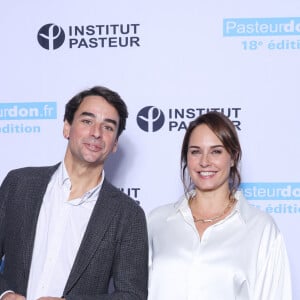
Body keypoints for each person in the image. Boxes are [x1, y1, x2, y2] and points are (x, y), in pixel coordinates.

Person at [0, 86, 148, 300]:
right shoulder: (19, 185)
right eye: (87, 121)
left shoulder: (127, 215)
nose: (96, 133)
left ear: (115, 143)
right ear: (67, 128)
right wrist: (4, 294)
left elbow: (132, 295)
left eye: (108, 127)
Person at [147, 111, 292, 300]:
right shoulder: (156, 221)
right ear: (186, 158)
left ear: (233, 157)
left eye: (216, 151)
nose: (205, 161)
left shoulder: (261, 229)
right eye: (195, 152)